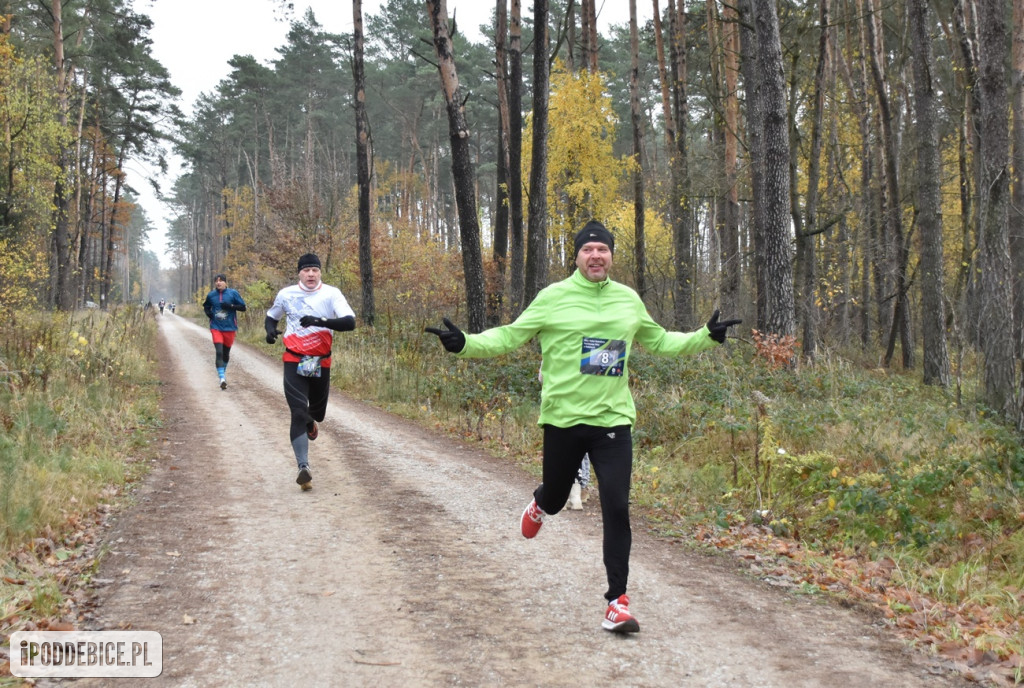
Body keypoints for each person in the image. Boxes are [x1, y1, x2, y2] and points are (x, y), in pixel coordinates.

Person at [426, 219, 740, 634]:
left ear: (611, 256)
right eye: (588, 250)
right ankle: (540, 503)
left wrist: (706, 336)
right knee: (557, 498)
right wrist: (466, 344)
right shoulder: (553, 297)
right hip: (563, 420)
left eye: (603, 250)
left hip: (612, 422)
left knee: (617, 506)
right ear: (576, 256)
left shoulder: (628, 301)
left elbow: (661, 341)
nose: (596, 256)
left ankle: (617, 602)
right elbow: (511, 336)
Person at [264, 253, 356, 491]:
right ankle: (303, 467)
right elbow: (271, 316)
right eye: (306, 270)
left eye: (315, 270)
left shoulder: (331, 294)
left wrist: (320, 320)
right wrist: (270, 331)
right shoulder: (286, 294)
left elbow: (349, 322)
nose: (311, 274)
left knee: (316, 413)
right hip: (294, 358)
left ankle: (311, 421)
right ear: (299, 273)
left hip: (320, 361)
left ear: (320, 273)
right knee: (297, 411)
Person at [202, 274, 247, 390]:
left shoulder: (233, 293)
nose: (218, 283)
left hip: (230, 328)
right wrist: (209, 314)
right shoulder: (211, 295)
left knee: (226, 354)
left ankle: (222, 372)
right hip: (216, 327)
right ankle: (222, 379)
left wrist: (230, 306)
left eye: (221, 281)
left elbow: (243, 307)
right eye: (216, 281)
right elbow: (206, 306)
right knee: (219, 352)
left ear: (226, 283)